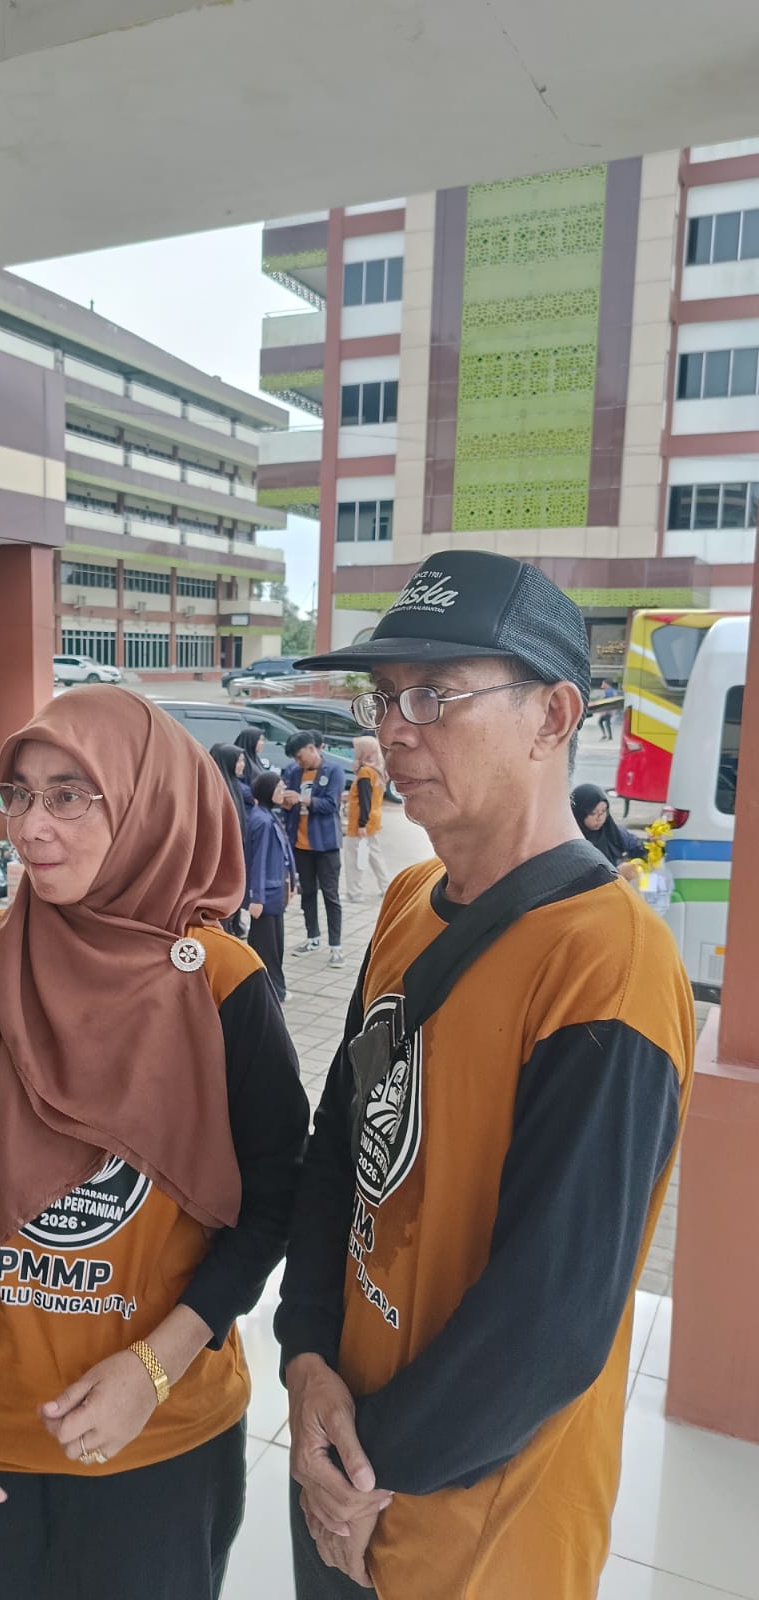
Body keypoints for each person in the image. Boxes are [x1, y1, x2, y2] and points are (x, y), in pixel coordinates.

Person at [276, 550, 694, 1600]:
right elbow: (341, 1147)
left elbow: (549, 1322)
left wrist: (358, 1475)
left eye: (433, 694)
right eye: (383, 697)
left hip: (476, 1534)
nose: (393, 730)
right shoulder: (409, 901)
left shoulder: (610, 965)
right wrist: (306, 1354)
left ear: (553, 716)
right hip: (342, 1461)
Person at [0, 686, 308, 1600]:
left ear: (147, 803)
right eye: (19, 794)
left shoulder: (220, 982)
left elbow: (275, 1200)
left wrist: (157, 1365)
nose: (30, 826)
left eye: (70, 795)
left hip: (162, 1434)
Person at [280, 732, 345, 967]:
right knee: (307, 892)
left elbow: (331, 804)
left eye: (300, 757)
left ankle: (336, 946)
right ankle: (312, 938)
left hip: (326, 845)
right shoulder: (293, 772)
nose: (299, 762)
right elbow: (287, 804)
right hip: (300, 844)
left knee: (330, 895)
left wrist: (303, 799)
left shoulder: (333, 771)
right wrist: (286, 802)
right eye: (295, 759)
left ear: (312, 748)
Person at [244, 771, 299, 1004]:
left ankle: (274, 990)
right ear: (268, 791)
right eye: (279, 789)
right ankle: (272, 991)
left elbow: (285, 853)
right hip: (266, 895)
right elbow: (257, 861)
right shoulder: (263, 821)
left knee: (275, 946)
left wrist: (293, 882)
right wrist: (256, 897)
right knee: (266, 948)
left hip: (275, 893)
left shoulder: (269, 815)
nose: (282, 793)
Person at [342, 736, 392, 904]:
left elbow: (364, 800)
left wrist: (361, 823)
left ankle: (355, 893)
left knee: (354, 858)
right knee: (375, 856)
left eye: (357, 749)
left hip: (360, 823)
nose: (355, 752)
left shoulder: (365, 773)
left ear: (365, 751)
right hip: (373, 820)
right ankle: (386, 887)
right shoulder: (378, 770)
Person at [210, 742, 249, 935]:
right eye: (239, 761)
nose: (242, 765)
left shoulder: (234, 785)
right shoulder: (217, 789)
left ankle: (234, 926)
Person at [571, 783, 647, 870]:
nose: (599, 818)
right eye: (593, 813)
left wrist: (650, 844)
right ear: (579, 813)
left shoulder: (613, 831)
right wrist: (617, 872)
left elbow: (635, 845)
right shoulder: (571, 842)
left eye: (603, 811)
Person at [236, 727, 268, 793]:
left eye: (263, 740)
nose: (262, 743)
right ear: (251, 741)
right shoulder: (241, 761)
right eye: (259, 740)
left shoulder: (255, 758)